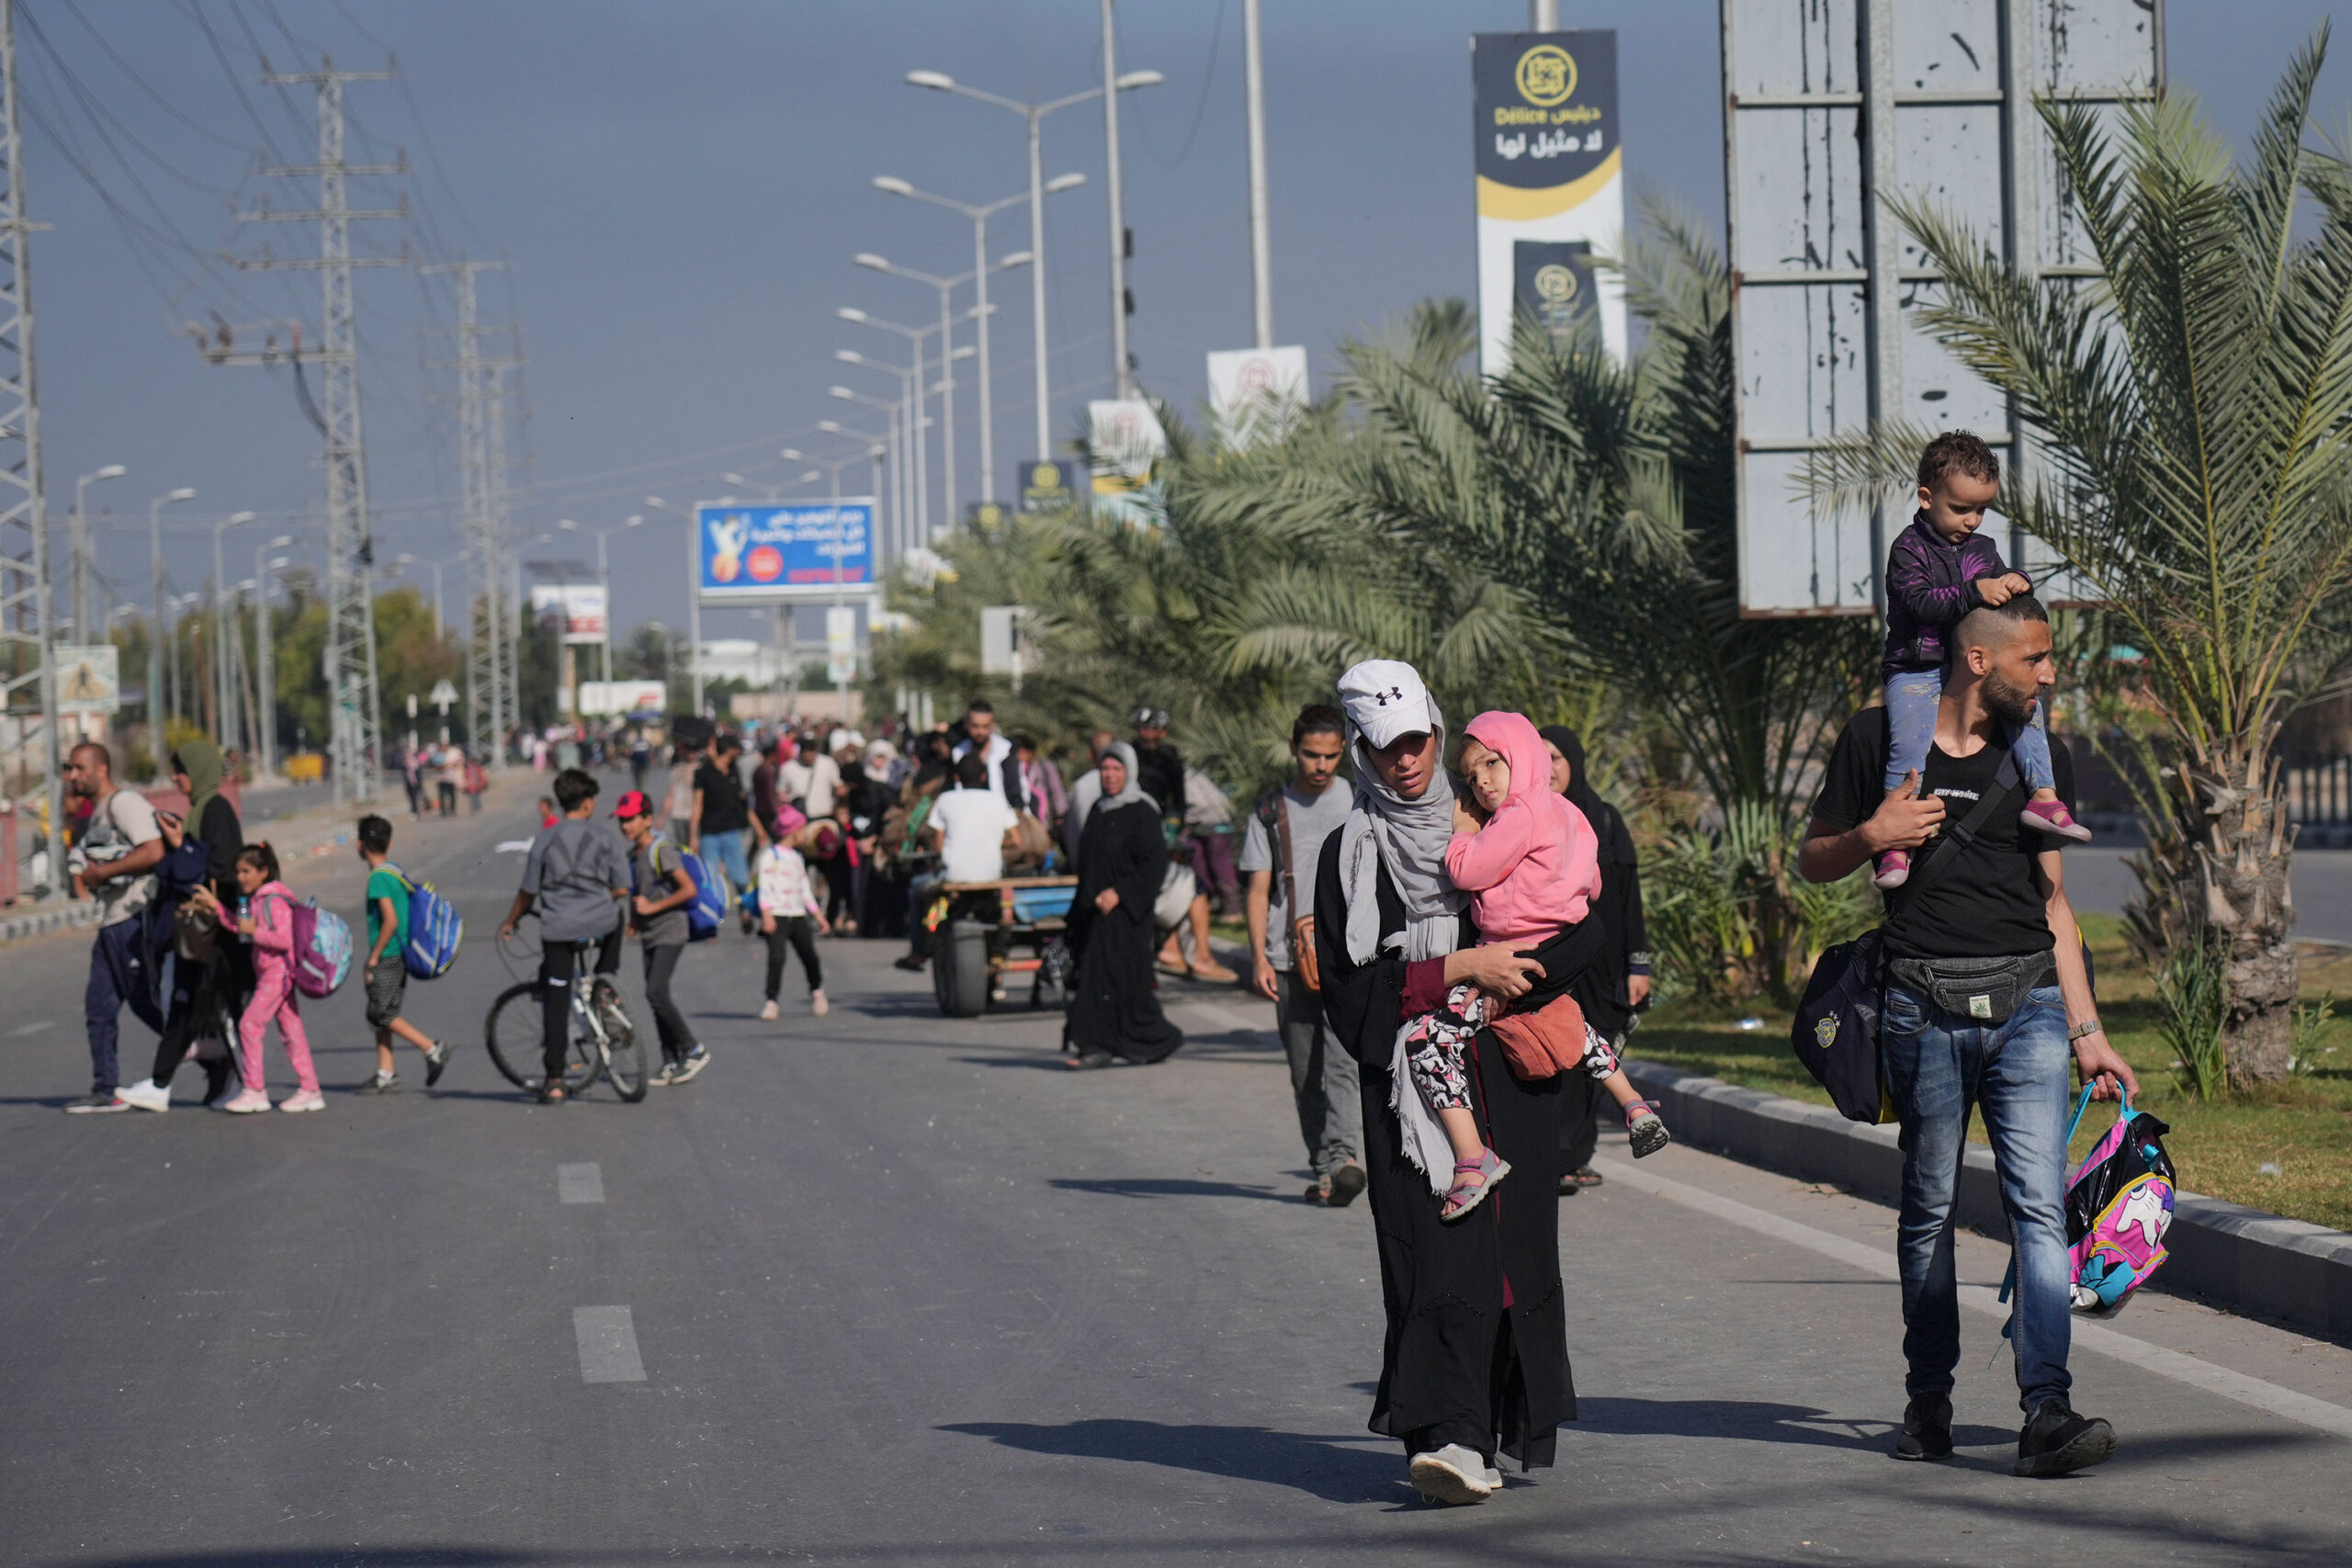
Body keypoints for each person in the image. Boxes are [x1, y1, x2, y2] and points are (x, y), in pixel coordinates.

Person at [1798, 593, 2138, 1477]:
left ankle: (2046, 1408)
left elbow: (2054, 902)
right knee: (1930, 1211)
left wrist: (2088, 1029)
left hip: (2030, 1006)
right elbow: (1813, 857)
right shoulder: (1878, 739)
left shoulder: (2040, 753)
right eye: (2035, 658)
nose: (2049, 674)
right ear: (1979, 660)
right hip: (1921, 1007)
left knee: (2039, 1209)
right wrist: (1874, 833)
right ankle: (1929, 1401)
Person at [1312, 660, 1581, 1505]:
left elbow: (1571, 923)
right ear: (1360, 749)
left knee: (1507, 1260)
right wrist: (1459, 966)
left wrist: (1521, 977)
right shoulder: (1349, 854)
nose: (1405, 761)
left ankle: (1489, 1430)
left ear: (1436, 726)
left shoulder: (1497, 819)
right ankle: (1448, 1437)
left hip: (1505, 1075)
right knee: (1436, 1256)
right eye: (1385, 747)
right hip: (1410, 1093)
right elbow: (1351, 995)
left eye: (1417, 740)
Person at [1424, 712, 1666, 1223]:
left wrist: (1463, 832)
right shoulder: (1569, 811)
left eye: (1491, 764)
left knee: (1429, 1040)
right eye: (1470, 776)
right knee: (1569, 1025)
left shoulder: (1520, 813)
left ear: (1520, 756)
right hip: (1560, 947)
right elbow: (1594, 883)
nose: (1481, 782)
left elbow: (1467, 871)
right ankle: (1633, 1103)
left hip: (1509, 955)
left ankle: (1471, 1157)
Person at [1875, 430, 2089, 889]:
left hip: (1966, 667)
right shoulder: (1908, 550)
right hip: (1915, 666)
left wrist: (2016, 580)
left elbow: (1999, 592)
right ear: (1927, 498)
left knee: (2027, 712)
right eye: (1961, 508)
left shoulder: (1982, 549)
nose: (1972, 520)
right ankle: (1896, 840)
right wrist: (1975, 591)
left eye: (1981, 510)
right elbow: (1920, 603)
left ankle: (2044, 797)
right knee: (1908, 743)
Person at [1240, 704, 1365, 1207]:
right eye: (1312, 755)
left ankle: (1343, 1158)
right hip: (1289, 957)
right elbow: (1257, 890)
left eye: (1331, 756)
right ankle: (1325, 1167)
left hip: (1348, 958)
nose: (1321, 766)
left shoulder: (1359, 801)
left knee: (1343, 1063)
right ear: (1294, 749)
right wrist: (1258, 958)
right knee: (1304, 1072)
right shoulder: (1270, 811)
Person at [1539, 726, 1652, 1195]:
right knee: (1558, 1054)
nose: (1548, 768)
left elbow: (1628, 898)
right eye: (1539, 757)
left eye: (1556, 757)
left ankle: (1577, 1154)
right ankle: (1555, 1157)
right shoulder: (1527, 818)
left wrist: (1638, 965)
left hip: (1603, 967)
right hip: (1551, 961)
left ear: (1575, 762)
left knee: (1597, 1057)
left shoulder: (1603, 818)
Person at [119, 740, 245, 1111]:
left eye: (181, 772)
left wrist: (183, 847)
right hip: (201, 931)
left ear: (198, 772)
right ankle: (215, 1078)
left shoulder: (216, 811)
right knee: (196, 1008)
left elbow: (221, 868)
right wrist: (182, 844)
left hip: (213, 932)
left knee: (197, 1006)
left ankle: (164, 1084)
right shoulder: (200, 811)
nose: (176, 779)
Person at [500, 767, 630, 1104]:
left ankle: (555, 1080)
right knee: (617, 917)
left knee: (556, 1002)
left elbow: (528, 891)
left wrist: (511, 921)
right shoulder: (605, 837)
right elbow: (621, 887)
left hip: (558, 929)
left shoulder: (545, 840)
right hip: (602, 924)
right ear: (588, 803)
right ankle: (605, 982)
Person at [1065, 743, 1185, 1069]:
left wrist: (1119, 893)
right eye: (1105, 769)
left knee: (1121, 981)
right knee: (1099, 979)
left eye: (1116, 769)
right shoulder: (1099, 809)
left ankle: (1122, 1042)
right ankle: (1101, 1044)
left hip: (1127, 915)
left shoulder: (1142, 811)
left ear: (1129, 772)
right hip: (1096, 913)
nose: (1109, 776)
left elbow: (1153, 864)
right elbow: (1087, 862)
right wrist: (1087, 901)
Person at [62, 742, 167, 1112]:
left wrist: (103, 872)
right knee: (98, 1010)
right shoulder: (96, 813)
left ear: (101, 769)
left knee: (147, 1005)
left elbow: (154, 850)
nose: (73, 775)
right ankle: (105, 1089)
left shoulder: (125, 804)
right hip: (110, 921)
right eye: (70, 768)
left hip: (132, 919)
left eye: (79, 768)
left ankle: (210, 1052)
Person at [614, 789, 712, 1086]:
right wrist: (635, 920)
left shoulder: (661, 850)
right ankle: (670, 1060)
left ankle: (693, 1049)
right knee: (656, 997)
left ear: (647, 819)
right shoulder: (634, 855)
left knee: (655, 992)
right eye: (622, 820)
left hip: (671, 930)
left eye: (631, 819)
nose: (625, 825)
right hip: (650, 932)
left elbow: (688, 889)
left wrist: (652, 908)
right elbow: (641, 892)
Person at [352, 815, 455, 1094]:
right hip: (399, 954)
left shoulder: (378, 878)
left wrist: (373, 957)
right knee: (382, 1012)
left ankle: (432, 1048)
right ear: (390, 843)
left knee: (382, 1013)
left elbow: (390, 920)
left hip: (387, 954)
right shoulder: (394, 871)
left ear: (360, 845)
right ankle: (385, 1073)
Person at [220, 842, 323, 1113]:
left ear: (263, 871)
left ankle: (255, 1089)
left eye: (246, 871)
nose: (240, 877)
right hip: (271, 973)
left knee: (249, 1025)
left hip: (277, 974)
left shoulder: (273, 900)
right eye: (238, 872)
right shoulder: (256, 900)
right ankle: (310, 1088)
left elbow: (283, 939)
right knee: (291, 1031)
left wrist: (254, 931)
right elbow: (242, 928)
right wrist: (217, 909)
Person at [899, 754, 1022, 969]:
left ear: (957, 777)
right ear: (983, 777)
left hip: (953, 876)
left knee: (914, 888)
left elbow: (938, 846)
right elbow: (1017, 840)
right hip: (991, 876)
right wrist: (993, 842)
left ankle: (918, 951)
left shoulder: (945, 800)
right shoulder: (998, 800)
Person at [755, 821, 830, 1019]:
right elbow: (764, 887)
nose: (805, 834)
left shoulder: (797, 857)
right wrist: (766, 916)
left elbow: (805, 890)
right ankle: (771, 1001)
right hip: (776, 915)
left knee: (809, 956)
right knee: (777, 958)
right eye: (803, 830)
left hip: (797, 915)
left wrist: (819, 917)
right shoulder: (770, 856)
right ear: (793, 832)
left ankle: (817, 991)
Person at [691, 731, 763, 927]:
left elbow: (744, 804)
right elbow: (697, 805)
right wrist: (693, 836)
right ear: (730, 749)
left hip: (732, 832)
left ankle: (745, 911)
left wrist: (759, 828)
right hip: (709, 834)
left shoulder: (734, 771)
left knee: (741, 879)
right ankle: (711, 921)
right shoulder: (703, 773)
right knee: (710, 881)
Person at [953, 699, 1028, 812]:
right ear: (966, 724)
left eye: (985, 726)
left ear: (993, 725)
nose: (980, 732)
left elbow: (1015, 796)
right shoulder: (958, 752)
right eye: (975, 726)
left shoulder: (1006, 752)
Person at [665, 736, 701, 845]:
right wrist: (662, 817)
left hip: (694, 813)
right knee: (682, 847)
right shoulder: (676, 769)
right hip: (678, 813)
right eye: (688, 750)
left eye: (693, 750)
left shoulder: (701, 769)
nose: (691, 753)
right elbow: (670, 794)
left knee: (695, 845)